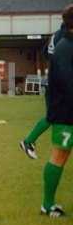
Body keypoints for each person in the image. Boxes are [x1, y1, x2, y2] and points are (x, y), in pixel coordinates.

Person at [39, 4, 73, 217]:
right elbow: (66, 83)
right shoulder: (64, 47)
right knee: (59, 155)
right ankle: (47, 204)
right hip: (66, 111)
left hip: (66, 109)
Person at [20, 22, 69, 159]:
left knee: (55, 116)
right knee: (53, 117)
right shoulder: (66, 37)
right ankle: (28, 141)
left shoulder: (56, 35)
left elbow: (45, 53)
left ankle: (29, 141)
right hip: (61, 83)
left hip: (55, 81)